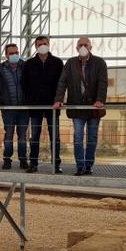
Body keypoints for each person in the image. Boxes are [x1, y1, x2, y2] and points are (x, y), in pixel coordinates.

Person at [53, 37, 108, 176]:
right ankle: (79, 166)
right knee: (78, 137)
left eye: (86, 44)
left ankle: (89, 165)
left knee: (92, 137)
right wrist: (59, 99)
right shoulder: (71, 63)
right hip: (76, 107)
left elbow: (103, 82)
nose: (83, 47)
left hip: (93, 108)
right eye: (80, 45)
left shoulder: (99, 62)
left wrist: (100, 100)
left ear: (91, 47)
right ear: (77, 48)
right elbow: (62, 82)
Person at [22, 35, 63, 173]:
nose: (42, 46)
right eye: (40, 44)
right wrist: (29, 101)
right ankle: (33, 163)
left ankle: (56, 165)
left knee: (55, 136)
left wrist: (59, 99)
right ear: (36, 46)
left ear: (49, 44)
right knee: (35, 135)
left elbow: (61, 84)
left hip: (53, 105)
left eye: (45, 43)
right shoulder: (29, 64)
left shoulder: (57, 63)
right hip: (35, 106)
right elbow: (24, 84)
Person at [0, 43, 28, 170]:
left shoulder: (25, 66)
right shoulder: (0, 69)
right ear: (6, 55)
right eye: (11, 53)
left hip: (23, 109)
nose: (14, 55)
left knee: (23, 135)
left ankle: (23, 160)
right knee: (8, 134)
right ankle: (7, 159)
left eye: (16, 53)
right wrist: (0, 103)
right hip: (8, 109)